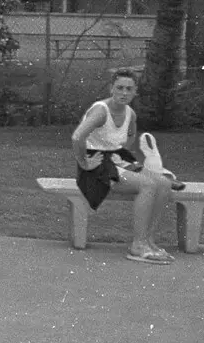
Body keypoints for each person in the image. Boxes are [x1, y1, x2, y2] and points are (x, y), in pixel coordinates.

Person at [70, 68, 179, 265]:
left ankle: (149, 241)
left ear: (135, 91)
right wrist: (84, 163)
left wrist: (120, 155)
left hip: (115, 163)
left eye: (129, 89)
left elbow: (129, 138)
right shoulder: (100, 111)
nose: (124, 93)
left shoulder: (131, 114)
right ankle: (137, 245)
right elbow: (78, 137)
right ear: (111, 88)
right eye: (119, 87)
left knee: (163, 183)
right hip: (96, 167)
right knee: (148, 185)